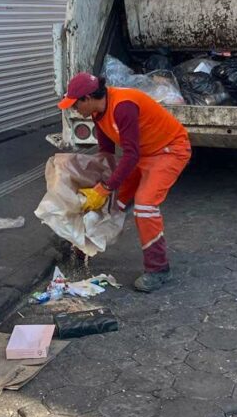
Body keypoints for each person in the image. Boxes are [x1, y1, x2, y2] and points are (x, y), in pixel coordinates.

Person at [58, 72, 191, 292]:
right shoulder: (97, 112)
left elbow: (130, 155)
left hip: (169, 150)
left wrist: (106, 186)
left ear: (88, 98)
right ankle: (82, 245)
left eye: (75, 104)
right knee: (115, 203)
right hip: (145, 153)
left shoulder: (123, 106)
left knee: (145, 206)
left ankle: (158, 269)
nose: (73, 110)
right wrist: (96, 184)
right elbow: (107, 153)